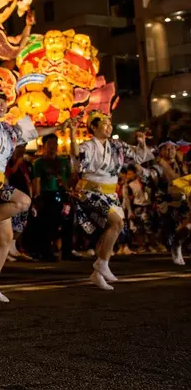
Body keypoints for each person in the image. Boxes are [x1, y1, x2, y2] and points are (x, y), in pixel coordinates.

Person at [0, 82, 68, 302]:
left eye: (4, 103)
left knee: (6, 237)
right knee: (23, 201)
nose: (2, 107)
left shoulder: (7, 130)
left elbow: (34, 132)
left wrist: (60, 127)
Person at [71, 111, 152, 290]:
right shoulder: (88, 145)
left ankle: (98, 274)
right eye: (104, 124)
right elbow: (77, 157)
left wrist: (141, 142)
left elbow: (139, 157)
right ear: (93, 127)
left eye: (110, 124)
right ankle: (102, 263)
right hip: (90, 192)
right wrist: (72, 134)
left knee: (111, 230)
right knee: (117, 223)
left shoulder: (116, 145)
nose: (109, 127)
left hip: (110, 194)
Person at [31, 133, 73, 261]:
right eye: (50, 144)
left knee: (68, 222)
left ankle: (67, 251)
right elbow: (36, 180)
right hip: (47, 195)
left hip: (63, 194)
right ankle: (46, 252)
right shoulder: (39, 163)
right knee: (48, 225)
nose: (53, 147)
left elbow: (70, 178)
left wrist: (68, 188)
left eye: (55, 144)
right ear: (43, 145)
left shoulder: (64, 162)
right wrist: (37, 197)